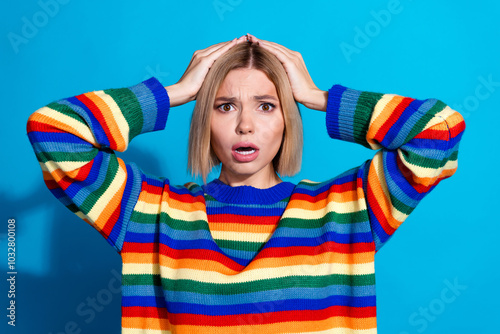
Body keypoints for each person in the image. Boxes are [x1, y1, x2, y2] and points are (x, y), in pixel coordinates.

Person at [27, 33, 465, 333]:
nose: (245, 125)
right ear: (205, 118)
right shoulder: (149, 213)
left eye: (267, 106)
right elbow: (53, 130)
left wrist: (317, 97)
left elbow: (439, 131)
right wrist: (176, 92)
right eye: (224, 106)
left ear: (287, 118)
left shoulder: (346, 210)